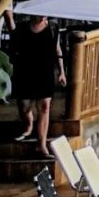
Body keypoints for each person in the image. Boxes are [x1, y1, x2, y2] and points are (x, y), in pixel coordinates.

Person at [8, 13, 65, 156]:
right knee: (25, 106)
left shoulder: (52, 28)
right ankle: (28, 125)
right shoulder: (21, 28)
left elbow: (57, 50)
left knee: (44, 107)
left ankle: (42, 144)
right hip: (25, 71)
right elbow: (13, 49)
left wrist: (61, 71)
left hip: (44, 71)